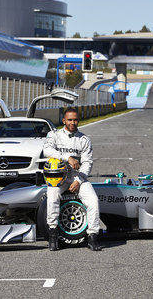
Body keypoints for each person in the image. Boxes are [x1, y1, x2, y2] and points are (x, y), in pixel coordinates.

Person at [43, 107, 101, 251]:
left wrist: (78, 181)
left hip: (77, 176)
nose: (73, 122)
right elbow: (47, 151)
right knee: (52, 195)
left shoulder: (84, 139)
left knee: (93, 200)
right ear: (64, 120)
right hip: (58, 176)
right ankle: (53, 233)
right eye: (69, 120)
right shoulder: (54, 135)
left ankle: (92, 236)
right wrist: (67, 158)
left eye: (75, 119)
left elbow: (87, 163)